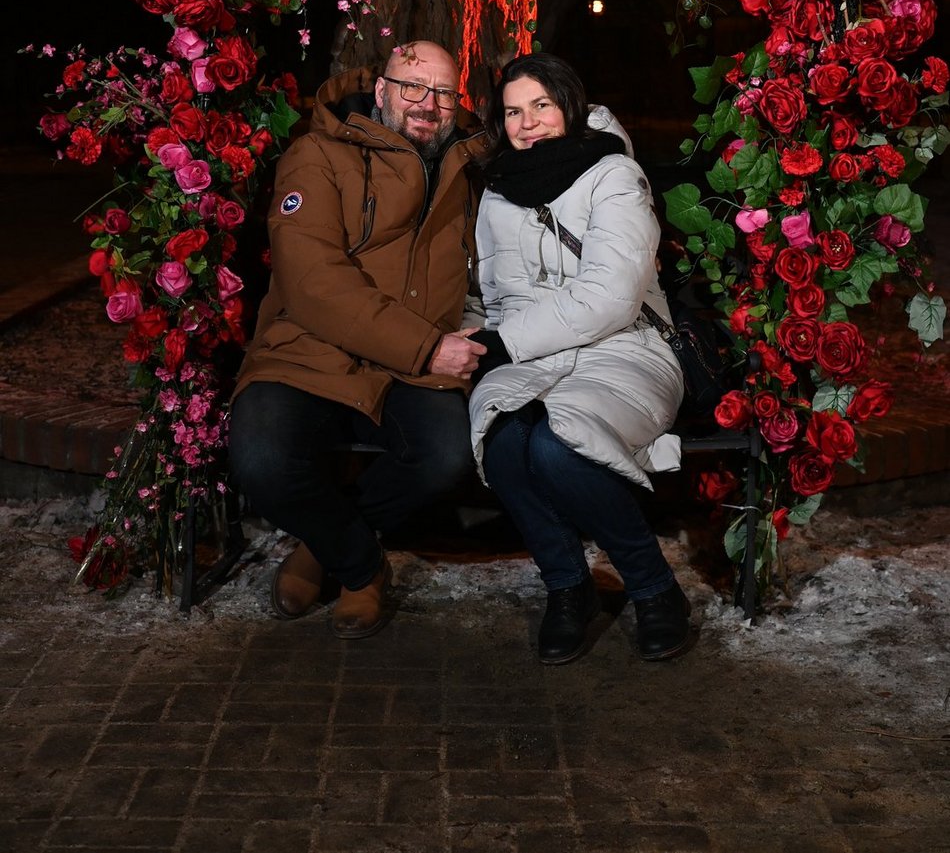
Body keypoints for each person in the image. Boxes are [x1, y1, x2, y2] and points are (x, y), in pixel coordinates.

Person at [228, 40, 488, 638]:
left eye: (444, 93)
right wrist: (427, 348)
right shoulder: (317, 154)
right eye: (413, 87)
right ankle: (360, 565)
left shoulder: (468, 168)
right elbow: (313, 282)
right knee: (263, 459)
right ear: (381, 91)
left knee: (445, 455)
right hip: (313, 348)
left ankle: (320, 548)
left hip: (408, 367)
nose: (429, 103)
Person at [465, 52, 691, 665]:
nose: (527, 123)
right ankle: (568, 587)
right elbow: (492, 293)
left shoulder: (613, 175)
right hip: (532, 351)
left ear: (569, 103)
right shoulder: (498, 186)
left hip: (625, 347)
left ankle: (653, 588)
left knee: (557, 447)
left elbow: (611, 296)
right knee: (505, 437)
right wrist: (468, 337)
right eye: (513, 111)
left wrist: (501, 344)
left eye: (540, 105)